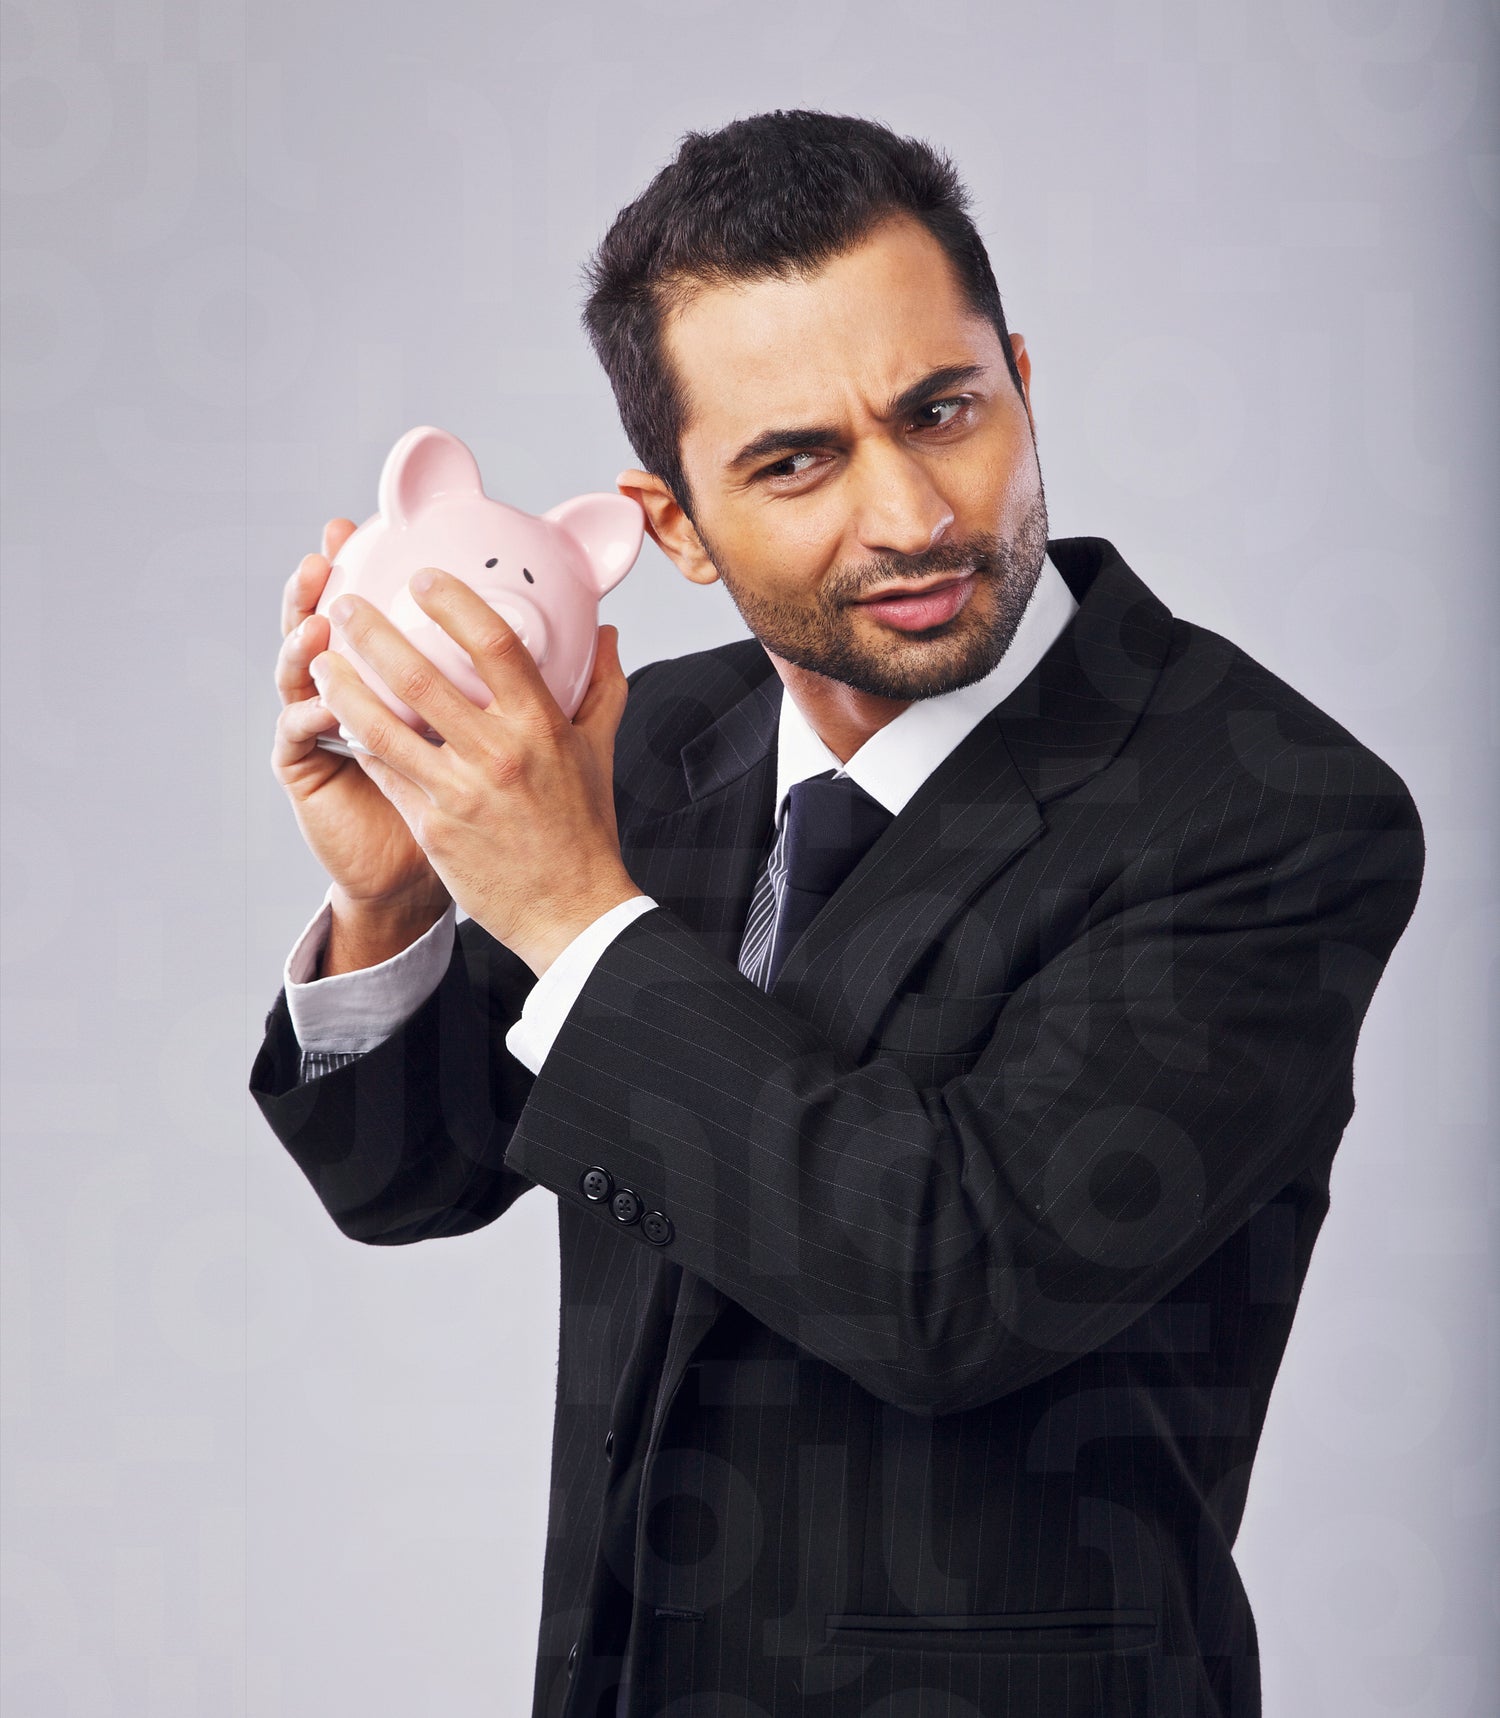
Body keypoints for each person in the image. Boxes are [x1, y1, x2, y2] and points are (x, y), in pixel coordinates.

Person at [249, 111, 1425, 1718]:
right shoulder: (651, 747)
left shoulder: (1268, 806)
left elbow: (953, 1280)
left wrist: (571, 908)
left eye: (943, 410)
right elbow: (410, 1176)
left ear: (1019, 377)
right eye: (795, 460)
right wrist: (390, 895)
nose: (914, 514)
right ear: (669, 523)